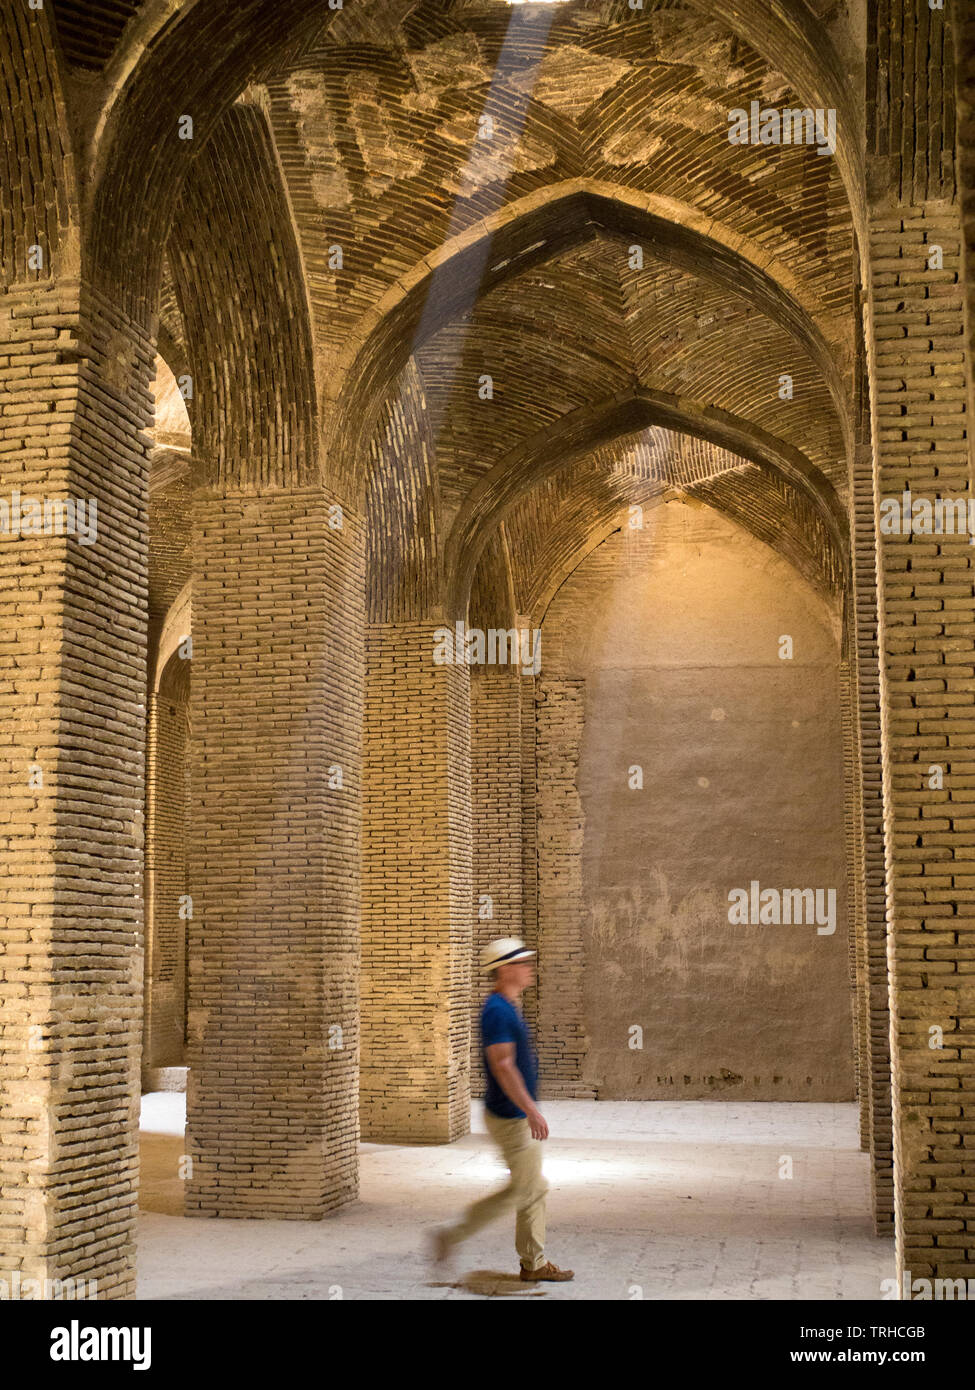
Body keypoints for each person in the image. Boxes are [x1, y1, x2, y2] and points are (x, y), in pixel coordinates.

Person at [430, 937, 574, 1282]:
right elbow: (503, 1065)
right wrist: (531, 1111)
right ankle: (453, 1235)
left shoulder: (507, 1005)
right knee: (528, 1189)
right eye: (523, 963)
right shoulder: (497, 1011)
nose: (529, 969)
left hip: (514, 1113)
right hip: (512, 1117)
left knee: (531, 1187)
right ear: (505, 969)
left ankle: (533, 1262)